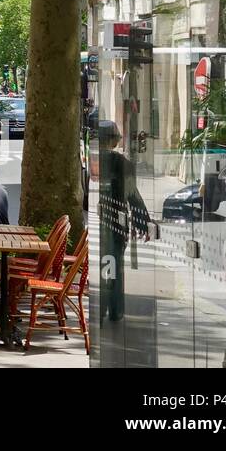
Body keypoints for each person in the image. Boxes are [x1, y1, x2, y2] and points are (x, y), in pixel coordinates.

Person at [98, 121, 151, 323]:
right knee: (115, 265)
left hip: (100, 220)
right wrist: (143, 223)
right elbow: (133, 196)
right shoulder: (123, 163)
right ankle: (114, 309)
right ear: (114, 140)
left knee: (104, 264)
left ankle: (102, 307)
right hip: (117, 223)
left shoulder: (90, 159)